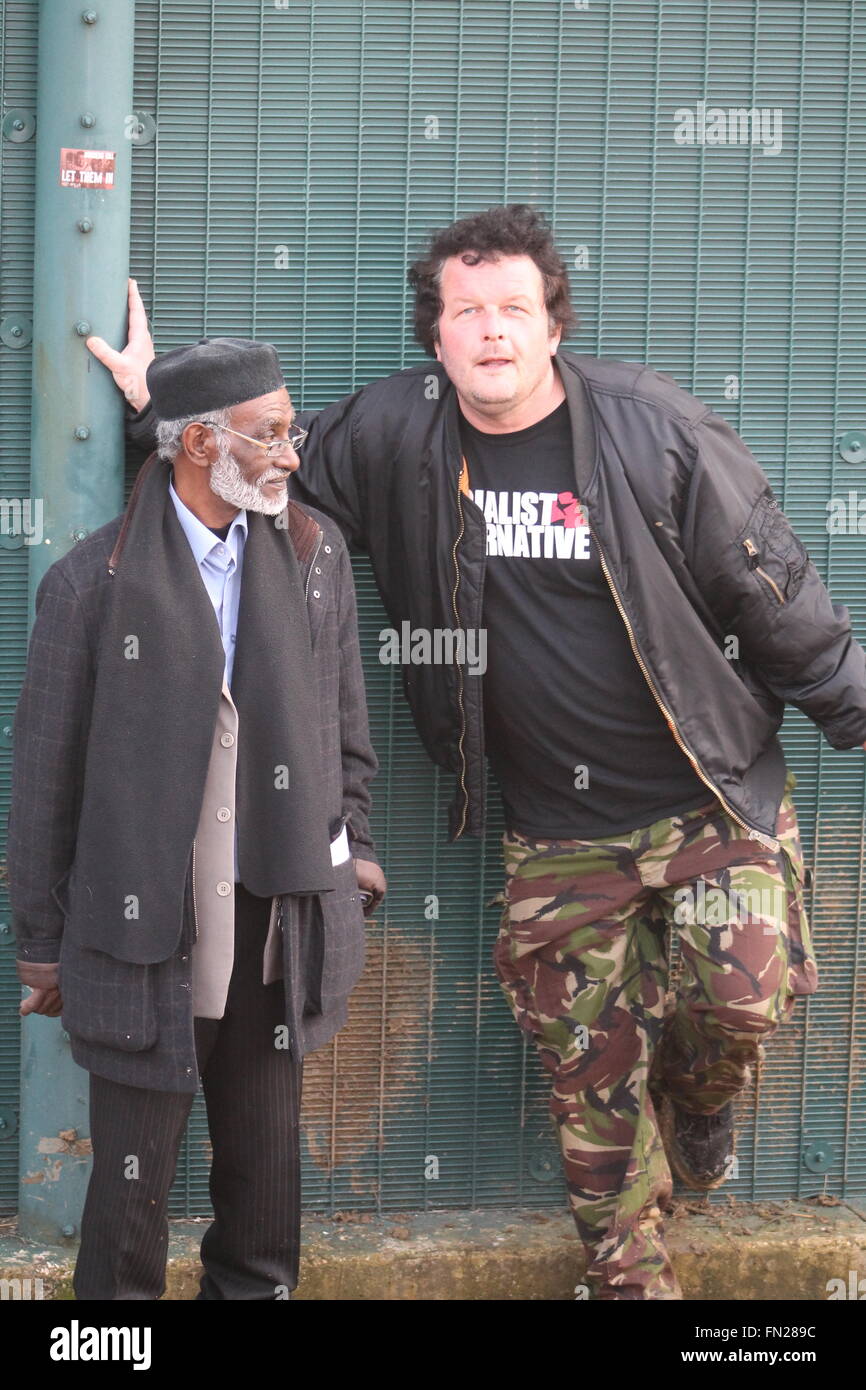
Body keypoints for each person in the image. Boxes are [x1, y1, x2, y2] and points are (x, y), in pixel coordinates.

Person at [89, 206, 866, 1300]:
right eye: (466, 312)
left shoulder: (654, 429)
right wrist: (153, 410)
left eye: (513, 307)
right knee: (586, 1076)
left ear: (552, 323)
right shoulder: (394, 436)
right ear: (437, 338)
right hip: (557, 834)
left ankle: (697, 1098)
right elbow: (259, 469)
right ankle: (629, 1280)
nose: (490, 330)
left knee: (735, 1000)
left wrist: (850, 707)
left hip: (704, 800)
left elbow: (771, 590)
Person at [6, 336, 384, 1300]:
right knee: (127, 1207)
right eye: (269, 436)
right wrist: (42, 945)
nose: (291, 454)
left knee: (264, 1197)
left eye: (290, 431)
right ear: (198, 445)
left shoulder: (313, 557)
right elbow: (46, 781)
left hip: (276, 933)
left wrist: (358, 862)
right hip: (144, 946)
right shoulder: (90, 586)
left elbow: (347, 732)